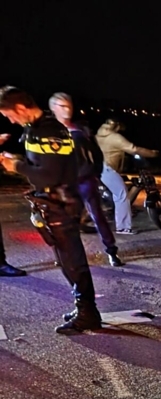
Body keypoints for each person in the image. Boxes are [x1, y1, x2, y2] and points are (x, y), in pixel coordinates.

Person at [0, 86, 102, 333]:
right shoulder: (36, 128)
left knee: (72, 260)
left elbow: (49, 175)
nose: (10, 121)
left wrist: (16, 166)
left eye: (9, 115)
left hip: (61, 205)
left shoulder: (48, 131)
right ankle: (84, 308)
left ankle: (88, 313)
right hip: (54, 204)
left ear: (21, 108)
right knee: (65, 260)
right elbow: (44, 164)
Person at [48, 93, 123, 267]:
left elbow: (96, 154)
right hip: (63, 184)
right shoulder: (50, 132)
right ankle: (65, 256)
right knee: (65, 223)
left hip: (85, 181)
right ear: (53, 108)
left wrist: (95, 173)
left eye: (69, 105)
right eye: (62, 106)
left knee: (97, 216)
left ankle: (112, 251)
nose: (67, 109)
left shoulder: (81, 130)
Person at [95, 119, 157, 234]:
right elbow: (133, 149)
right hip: (109, 168)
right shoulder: (114, 137)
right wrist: (152, 153)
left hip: (100, 166)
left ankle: (120, 224)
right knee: (122, 195)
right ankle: (123, 227)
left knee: (118, 193)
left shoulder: (99, 135)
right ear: (116, 126)